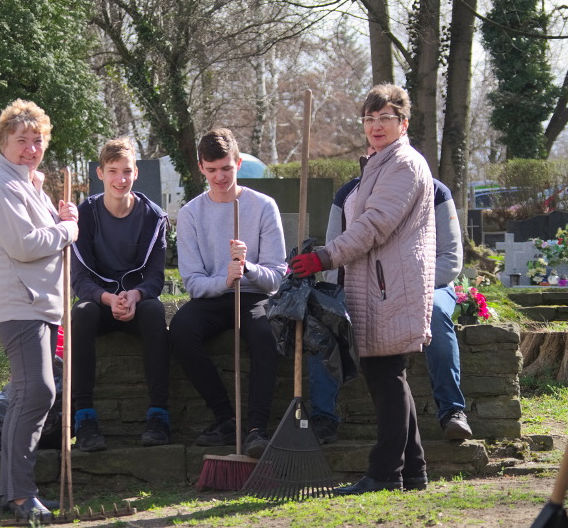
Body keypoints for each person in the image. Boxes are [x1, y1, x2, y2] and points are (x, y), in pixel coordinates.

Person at [290, 84, 435, 494]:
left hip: (391, 285)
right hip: (377, 283)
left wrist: (324, 258)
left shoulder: (403, 164)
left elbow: (373, 225)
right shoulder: (378, 163)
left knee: (386, 374)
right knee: (387, 374)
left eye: (385, 117)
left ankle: (386, 473)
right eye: (369, 119)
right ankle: (413, 470)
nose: (376, 126)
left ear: (403, 123)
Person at [311, 167, 472, 443]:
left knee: (436, 313)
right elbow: (334, 255)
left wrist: (409, 289)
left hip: (428, 286)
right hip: (362, 287)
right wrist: (347, 295)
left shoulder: (436, 191)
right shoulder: (348, 194)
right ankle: (323, 417)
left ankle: (452, 411)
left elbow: (451, 258)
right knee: (327, 318)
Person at [0, 99, 79, 521]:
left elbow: (45, 232)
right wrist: (67, 229)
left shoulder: (26, 184)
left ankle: (14, 493)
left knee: (28, 393)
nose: (31, 149)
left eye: (37, 141)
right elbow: (24, 245)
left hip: (39, 304)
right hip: (18, 304)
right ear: (3, 142)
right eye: (22, 140)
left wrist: (60, 216)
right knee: (37, 391)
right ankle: (21, 496)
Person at [169, 128, 286, 459]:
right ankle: (225, 418)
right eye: (211, 170)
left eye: (226, 168)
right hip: (212, 296)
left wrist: (247, 268)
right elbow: (193, 282)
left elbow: (276, 278)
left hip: (253, 295)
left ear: (238, 164)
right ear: (201, 168)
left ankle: (256, 429)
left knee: (265, 334)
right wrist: (224, 279)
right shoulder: (190, 214)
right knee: (181, 329)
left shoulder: (263, 207)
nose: (219, 177)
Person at [70, 136, 171, 450]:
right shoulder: (84, 215)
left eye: (126, 171)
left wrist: (136, 295)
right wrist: (107, 298)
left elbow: (155, 277)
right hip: (100, 302)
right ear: (100, 173)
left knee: (155, 312)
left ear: (135, 173)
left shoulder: (154, 217)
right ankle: (84, 418)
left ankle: (159, 415)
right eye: (112, 171)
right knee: (81, 313)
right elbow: (79, 279)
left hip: (136, 302)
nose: (120, 179)